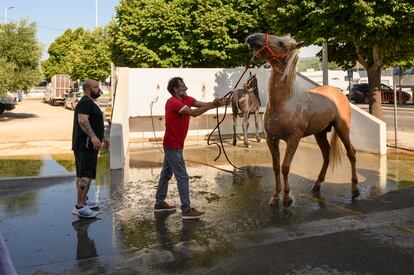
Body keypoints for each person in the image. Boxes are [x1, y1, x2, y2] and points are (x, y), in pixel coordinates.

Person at [154, 77, 229, 220]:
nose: (186, 87)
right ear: (175, 89)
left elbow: (202, 104)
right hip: (172, 145)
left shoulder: (186, 99)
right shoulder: (173, 103)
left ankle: (159, 203)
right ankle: (186, 210)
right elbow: (194, 113)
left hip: (174, 144)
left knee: (166, 174)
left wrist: (217, 103)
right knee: (182, 177)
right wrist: (212, 105)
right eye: (182, 86)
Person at [71, 79, 108, 218]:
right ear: (87, 89)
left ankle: (83, 201)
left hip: (85, 144)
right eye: (96, 87)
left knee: (83, 174)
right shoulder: (86, 102)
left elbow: (93, 122)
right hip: (86, 145)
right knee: (86, 175)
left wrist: (103, 137)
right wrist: (93, 137)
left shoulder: (89, 102)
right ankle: (79, 207)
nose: (99, 89)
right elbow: (83, 121)